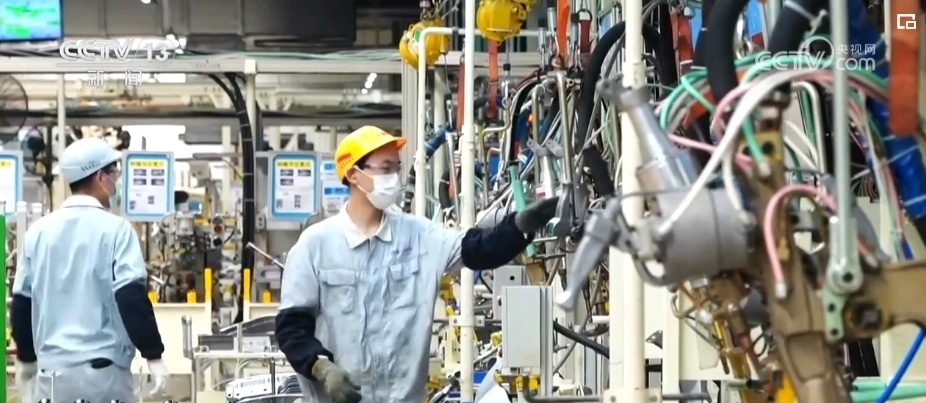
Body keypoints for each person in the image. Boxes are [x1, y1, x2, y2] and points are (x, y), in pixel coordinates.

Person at [276, 126, 559, 403]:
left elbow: (479, 249)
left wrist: (521, 225)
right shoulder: (314, 245)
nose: (394, 178)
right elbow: (292, 329)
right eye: (385, 168)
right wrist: (321, 368)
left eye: (396, 168)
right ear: (353, 175)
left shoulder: (420, 235)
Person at [11, 138, 169, 403]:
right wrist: (153, 354)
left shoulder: (37, 232)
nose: (115, 181)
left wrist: (27, 361)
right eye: (113, 172)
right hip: (104, 378)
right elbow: (130, 297)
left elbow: (22, 303)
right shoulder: (117, 231)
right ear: (99, 177)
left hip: (51, 378)